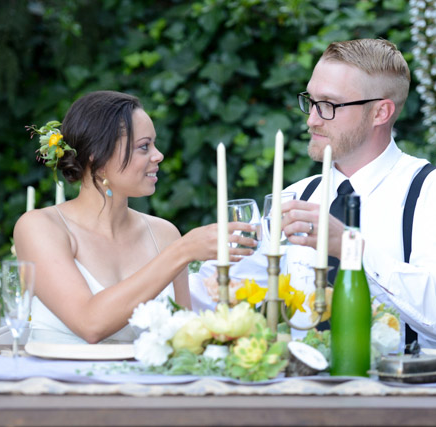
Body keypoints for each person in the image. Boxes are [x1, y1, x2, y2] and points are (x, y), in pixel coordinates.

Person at [190, 39, 436, 350]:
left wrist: (350, 247)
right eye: (310, 101)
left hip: (403, 392)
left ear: (380, 112)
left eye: (328, 105)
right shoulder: (294, 196)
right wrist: (174, 256)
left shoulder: (435, 192)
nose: (311, 119)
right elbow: (215, 293)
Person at [14, 91, 256, 344]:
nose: (158, 155)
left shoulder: (164, 234)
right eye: (144, 146)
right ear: (98, 156)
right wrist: (182, 251)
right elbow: (90, 323)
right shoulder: (40, 227)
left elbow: (186, 340)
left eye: (154, 144)